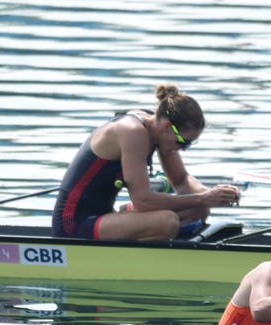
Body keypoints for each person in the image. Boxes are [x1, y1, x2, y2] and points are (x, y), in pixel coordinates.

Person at [52, 83, 241, 240]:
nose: (183, 148)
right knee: (167, 222)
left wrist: (214, 195)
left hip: (104, 216)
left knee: (199, 210)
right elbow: (142, 201)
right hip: (74, 224)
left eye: (190, 144)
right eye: (183, 142)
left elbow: (182, 180)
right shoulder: (132, 132)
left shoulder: (157, 129)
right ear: (167, 127)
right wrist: (203, 197)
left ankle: (134, 226)